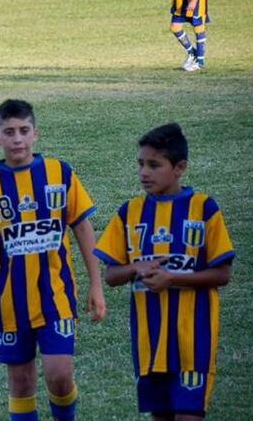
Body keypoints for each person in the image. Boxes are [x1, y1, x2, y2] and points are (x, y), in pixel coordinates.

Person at [0, 99, 106, 421]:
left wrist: (96, 284)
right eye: (9, 132)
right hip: (10, 302)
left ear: (35, 134)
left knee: (59, 374)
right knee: (21, 381)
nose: (17, 139)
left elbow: (82, 227)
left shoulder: (60, 174)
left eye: (24, 131)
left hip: (56, 296)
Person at [94, 123, 234, 420]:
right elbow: (111, 275)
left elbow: (222, 273)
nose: (144, 172)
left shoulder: (204, 209)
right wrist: (135, 267)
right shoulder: (129, 212)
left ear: (180, 167)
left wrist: (173, 278)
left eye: (154, 165)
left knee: (189, 415)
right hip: (149, 343)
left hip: (193, 340)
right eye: (141, 164)